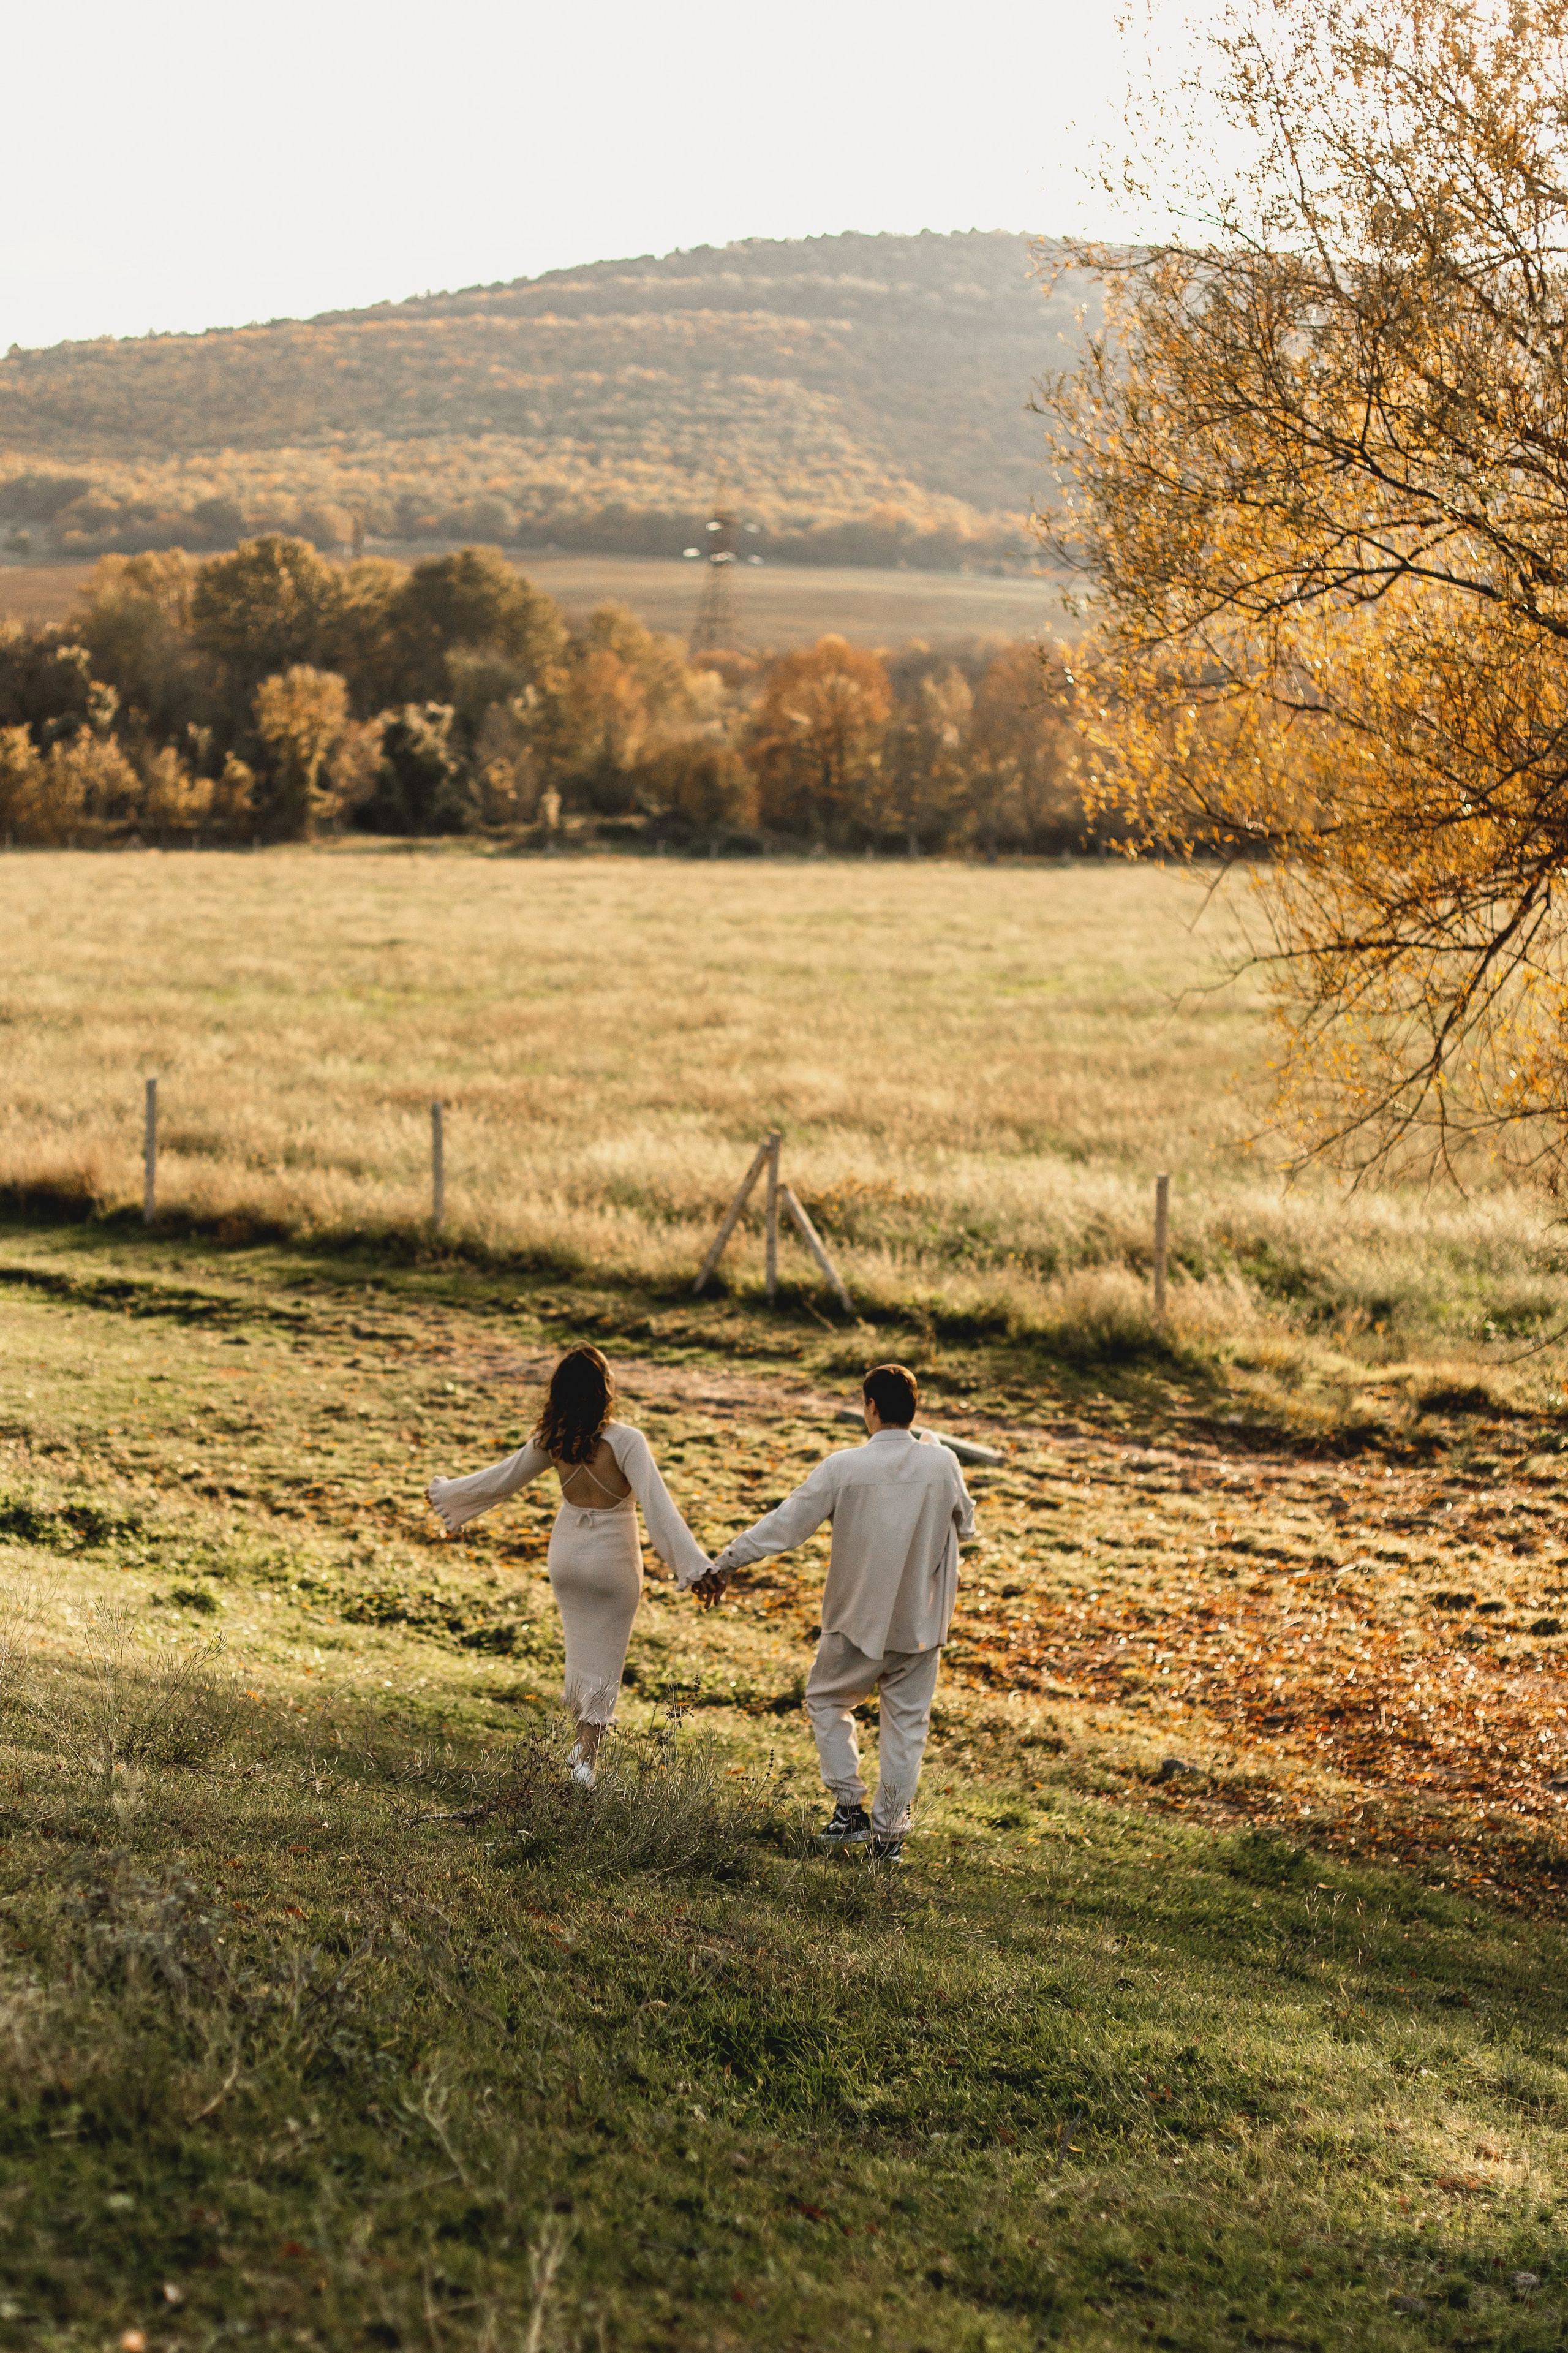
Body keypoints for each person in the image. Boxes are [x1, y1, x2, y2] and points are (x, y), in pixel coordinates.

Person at [696, 1362, 975, 1861]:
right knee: (906, 1728)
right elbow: (967, 1523)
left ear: (870, 1407)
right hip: (920, 1622)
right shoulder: (943, 1463)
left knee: (826, 1700)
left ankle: (849, 1806)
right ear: (914, 1410)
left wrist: (728, 1561)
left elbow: (785, 1525)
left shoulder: (842, 1467)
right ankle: (888, 1839)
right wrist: (936, 1452)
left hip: (855, 1619)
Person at [426, 1344, 714, 1785]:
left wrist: (448, 1496)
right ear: (606, 1389)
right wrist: (693, 1568)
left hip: (567, 1557)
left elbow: (501, 1479)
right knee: (606, 1660)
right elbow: (660, 1509)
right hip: (612, 1560)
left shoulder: (554, 1439)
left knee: (581, 1654)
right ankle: (584, 1762)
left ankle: (580, 1752)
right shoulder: (626, 1440)